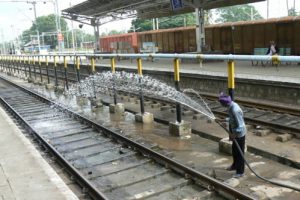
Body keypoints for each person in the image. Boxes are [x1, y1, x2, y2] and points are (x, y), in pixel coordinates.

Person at [217, 93, 247, 178]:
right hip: (235, 133)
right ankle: (234, 165)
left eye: (221, 104)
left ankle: (240, 171)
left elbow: (240, 126)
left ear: (225, 104)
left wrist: (234, 134)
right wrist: (222, 120)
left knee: (239, 153)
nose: (220, 105)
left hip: (239, 134)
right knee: (234, 151)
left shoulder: (235, 110)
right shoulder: (231, 106)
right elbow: (232, 118)